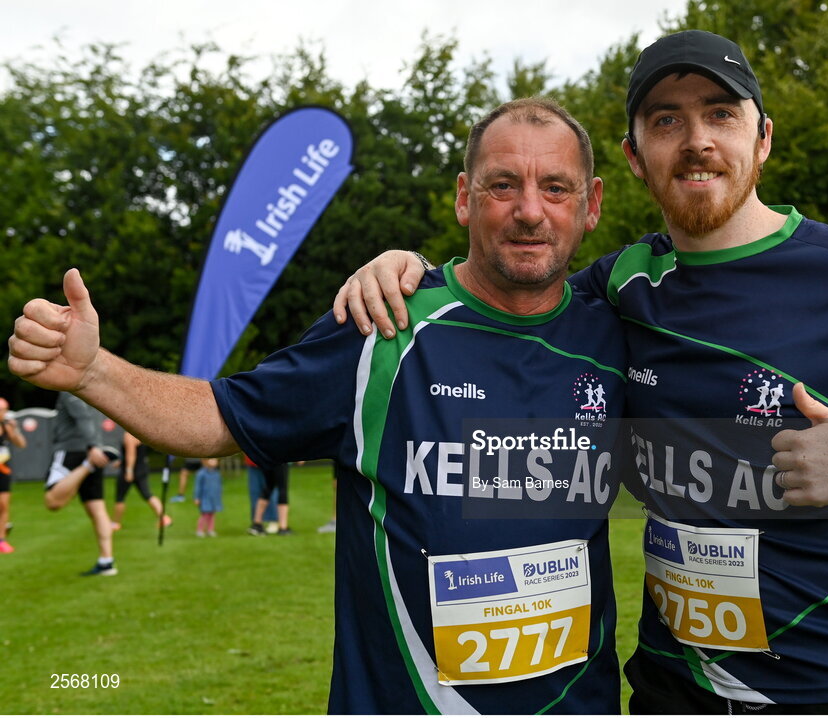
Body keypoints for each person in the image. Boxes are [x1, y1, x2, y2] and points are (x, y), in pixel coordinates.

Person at [332, 31, 828, 714]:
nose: (697, 140)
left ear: (763, 138)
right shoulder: (623, 285)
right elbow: (512, 284)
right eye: (667, 120)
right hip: (673, 685)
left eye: (722, 113)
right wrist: (408, 267)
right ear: (635, 156)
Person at [8, 98, 633, 714]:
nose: (530, 211)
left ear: (591, 204)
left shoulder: (618, 333)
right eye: (503, 185)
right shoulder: (383, 325)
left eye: (556, 188)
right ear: (465, 197)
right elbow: (220, 417)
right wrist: (95, 371)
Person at [41, 392, 121, 576]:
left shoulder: (70, 388)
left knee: (52, 501)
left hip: (73, 451)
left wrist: (92, 447)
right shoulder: (93, 387)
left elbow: (81, 415)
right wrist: (97, 447)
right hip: (96, 450)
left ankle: (87, 466)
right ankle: (106, 562)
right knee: (97, 508)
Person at [111, 430, 172, 531]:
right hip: (142, 469)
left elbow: (131, 454)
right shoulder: (140, 434)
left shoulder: (129, 435)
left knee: (120, 498)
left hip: (131, 471)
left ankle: (115, 523)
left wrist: (129, 470)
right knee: (148, 495)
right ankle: (164, 518)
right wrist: (121, 462)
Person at [0, 396, 27, 554]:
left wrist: (14, 430)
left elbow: (21, 444)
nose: (4, 413)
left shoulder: (7, 425)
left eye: (5, 410)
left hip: (4, 469)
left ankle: (2, 539)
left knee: (3, 505)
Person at [249, 462, 292, 536]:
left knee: (268, 487)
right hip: (280, 459)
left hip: (268, 460)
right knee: (282, 488)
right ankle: (283, 527)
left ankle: (257, 524)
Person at [193, 457, 223, 537]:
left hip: (214, 498)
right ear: (204, 461)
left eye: (215, 459)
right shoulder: (201, 474)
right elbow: (198, 487)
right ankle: (200, 530)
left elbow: (218, 486)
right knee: (205, 514)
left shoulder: (216, 473)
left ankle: (210, 530)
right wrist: (197, 498)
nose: (214, 461)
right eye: (211, 459)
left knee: (212, 514)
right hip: (205, 498)